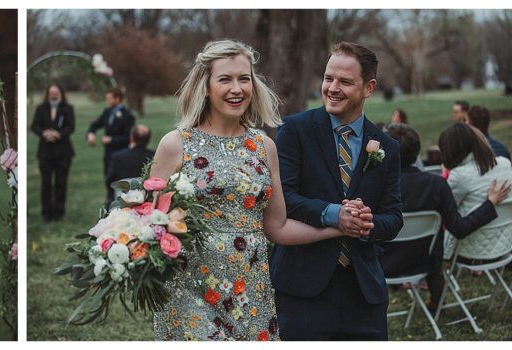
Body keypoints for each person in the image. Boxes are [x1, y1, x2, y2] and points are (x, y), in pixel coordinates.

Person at [148, 40, 364, 341]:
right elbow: (150, 224)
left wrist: (339, 226)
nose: (236, 89)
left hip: (250, 293)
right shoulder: (175, 144)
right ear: (205, 86)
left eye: (244, 79)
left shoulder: (264, 147)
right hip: (189, 292)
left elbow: (278, 228)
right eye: (225, 79)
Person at [273, 42, 403, 340]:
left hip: (363, 292)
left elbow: (394, 218)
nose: (332, 88)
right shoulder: (295, 130)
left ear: (368, 88)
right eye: (328, 78)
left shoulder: (387, 146)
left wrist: (366, 222)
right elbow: (284, 199)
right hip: (302, 289)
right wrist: (335, 215)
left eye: (344, 81)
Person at [378, 124, 509, 311]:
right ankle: (436, 298)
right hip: (425, 263)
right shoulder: (436, 184)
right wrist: (489, 204)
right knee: (433, 241)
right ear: (417, 152)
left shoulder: (376, 186)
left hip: (383, 265)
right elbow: (459, 228)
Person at [438, 123, 512, 263]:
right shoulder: (505, 164)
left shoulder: (459, 176)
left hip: (469, 250)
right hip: (504, 244)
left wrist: (446, 175)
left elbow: (446, 213)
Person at [31, 84, 75, 222]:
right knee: (46, 183)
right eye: (51, 93)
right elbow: (34, 126)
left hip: (63, 152)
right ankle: (46, 213)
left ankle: (59, 213)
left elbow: (71, 127)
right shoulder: (41, 108)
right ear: (48, 94)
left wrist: (58, 134)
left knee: (61, 183)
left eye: (56, 93)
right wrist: (44, 133)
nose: (54, 95)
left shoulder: (67, 108)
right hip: (45, 152)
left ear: (61, 94)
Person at [86, 88, 135, 206]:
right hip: (108, 155)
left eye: (110, 98)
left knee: (120, 184)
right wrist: (91, 133)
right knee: (108, 180)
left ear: (118, 99)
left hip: (121, 155)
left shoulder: (127, 115)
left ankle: (122, 205)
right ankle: (109, 204)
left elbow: (128, 137)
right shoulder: (107, 112)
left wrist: (111, 139)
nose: (107, 101)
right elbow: (95, 124)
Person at [105, 124, 154, 191]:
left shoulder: (118, 157)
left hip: (122, 195)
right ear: (149, 140)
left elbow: (109, 182)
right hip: (145, 195)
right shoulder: (153, 157)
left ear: (131, 138)